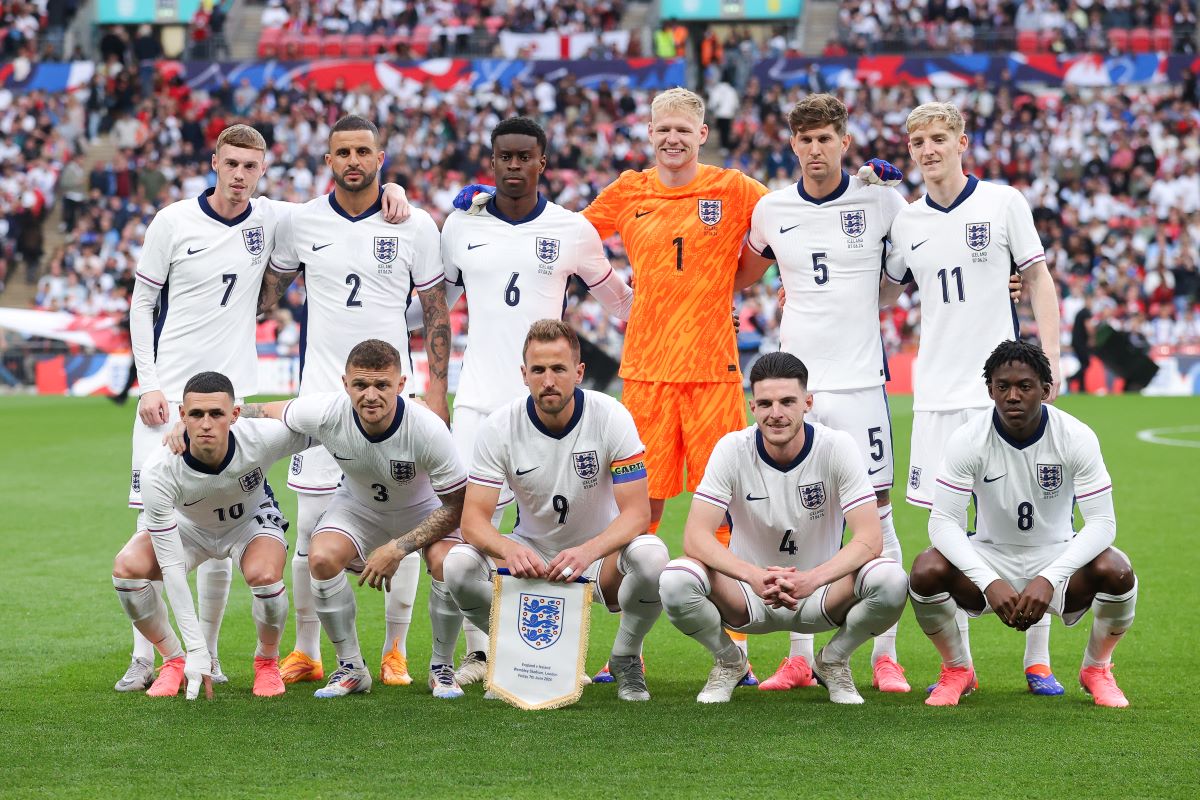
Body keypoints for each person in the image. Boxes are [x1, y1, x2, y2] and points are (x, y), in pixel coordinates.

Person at [118, 122, 407, 693]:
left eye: (251, 167)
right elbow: (142, 301)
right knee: (155, 523)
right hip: (168, 395)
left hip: (233, 400)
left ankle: (216, 658)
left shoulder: (272, 218)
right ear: (214, 162)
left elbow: (348, 197)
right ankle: (150, 657)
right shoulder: (173, 221)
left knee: (222, 522)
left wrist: (393, 191)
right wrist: (148, 384)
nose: (240, 176)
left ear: (263, 169)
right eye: (232, 164)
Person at [438, 116, 634, 687]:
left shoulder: (572, 229)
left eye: (526, 156)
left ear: (543, 161)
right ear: (492, 161)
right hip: (478, 401)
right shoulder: (459, 225)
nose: (515, 166)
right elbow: (434, 307)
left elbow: (621, 303)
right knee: (463, 536)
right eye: (505, 157)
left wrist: (697, 315)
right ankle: (477, 652)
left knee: (557, 518)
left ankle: (584, 642)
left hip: (551, 403)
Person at [260, 114, 448, 689]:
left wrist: (436, 392)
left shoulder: (414, 224)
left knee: (407, 519)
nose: (352, 161)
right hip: (321, 398)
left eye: (363, 151)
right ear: (328, 160)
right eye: (341, 151)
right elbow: (267, 293)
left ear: (381, 157)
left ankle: (396, 651)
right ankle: (308, 650)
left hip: (397, 400)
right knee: (313, 527)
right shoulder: (299, 221)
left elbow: (437, 313)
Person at [883, 101, 1065, 694]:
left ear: (963, 140)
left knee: (1033, 520)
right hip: (935, 393)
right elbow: (883, 292)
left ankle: (1037, 660)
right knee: (947, 529)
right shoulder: (906, 221)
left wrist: (1053, 363)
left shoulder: (1003, 202)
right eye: (918, 141)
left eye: (939, 137)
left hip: (1003, 392)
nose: (928, 149)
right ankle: (958, 666)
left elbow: (1037, 277)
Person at [736, 93, 911, 694]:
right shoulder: (771, 208)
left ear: (844, 140)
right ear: (793, 145)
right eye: (805, 139)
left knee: (879, 513)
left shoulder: (881, 198)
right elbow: (737, 273)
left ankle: (885, 656)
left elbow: (902, 279)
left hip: (861, 381)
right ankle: (798, 655)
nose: (815, 148)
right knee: (795, 512)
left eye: (825, 137)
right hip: (794, 386)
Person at [658, 352, 908, 704]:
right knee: (675, 578)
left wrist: (812, 579)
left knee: (892, 580)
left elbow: (870, 539)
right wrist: (752, 576)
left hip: (820, 596)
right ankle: (730, 662)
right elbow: (695, 537)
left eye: (787, 401)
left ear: (807, 403)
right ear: (752, 406)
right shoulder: (732, 448)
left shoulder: (836, 447)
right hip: (747, 597)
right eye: (765, 403)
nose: (776, 413)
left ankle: (833, 661)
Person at [443, 320, 669, 702]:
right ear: (524, 375)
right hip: (530, 553)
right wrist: (509, 550)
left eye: (559, 369)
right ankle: (519, 656)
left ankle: (626, 657)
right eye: (539, 370)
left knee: (653, 558)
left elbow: (636, 514)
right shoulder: (500, 426)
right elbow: (473, 522)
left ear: (579, 372)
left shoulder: (611, 416)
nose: (548, 380)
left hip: (598, 557)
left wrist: (588, 551)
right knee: (457, 566)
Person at [909, 341, 1136, 707]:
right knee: (925, 569)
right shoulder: (968, 439)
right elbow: (943, 523)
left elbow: (1103, 523)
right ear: (990, 390)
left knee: (1117, 570)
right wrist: (989, 581)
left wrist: (1049, 577)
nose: (1013, 396)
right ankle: (957, 669)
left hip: (1058, 557)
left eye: (1025, 386)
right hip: (991, 557)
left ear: (1046, 391)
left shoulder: (1076, 436)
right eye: (1003, 387)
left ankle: (1097, 668)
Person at [237, 340, 467, 698]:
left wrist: (398, 548)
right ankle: (352, 668)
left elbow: (457, 505)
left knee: (450, 563)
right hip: (359, 507)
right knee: (321, 557)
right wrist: (206, 417)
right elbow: (264, 410)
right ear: (345, 384)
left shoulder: (427, 428)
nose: (370, 395)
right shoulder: (327, 411)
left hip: (423, 510)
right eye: (360, 385)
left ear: (401, 385)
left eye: (382, 385)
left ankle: (442, 668)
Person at [112, 371, 311, 699]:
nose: (206, 423)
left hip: (250, 523)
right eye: (196, 414)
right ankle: (173, 660)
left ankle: (266, 662)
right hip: (189, 530)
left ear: (234, 415)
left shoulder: (263, 437)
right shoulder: (159, 471)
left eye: (216, 414)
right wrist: (194, 649)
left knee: (265, 577)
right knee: (127, 570)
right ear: (182, 416)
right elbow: (172, 569)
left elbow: (324, 421)